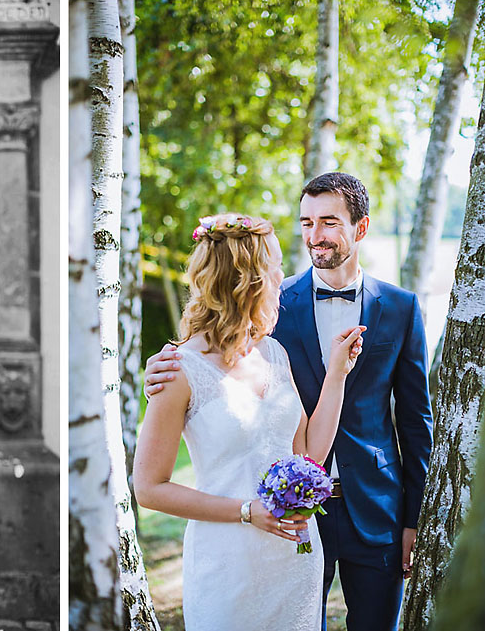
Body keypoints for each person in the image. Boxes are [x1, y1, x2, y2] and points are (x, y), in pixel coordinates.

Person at [144, 172, 433, 630]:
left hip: (363, 515)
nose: (313, 237)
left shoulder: (395, 309)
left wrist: (415, 520)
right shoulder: (270, 316)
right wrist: (162, 380)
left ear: (360, 227)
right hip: (260, 539)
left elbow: (413, 424)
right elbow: (211, 366)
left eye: (329, 222)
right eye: (306, 222)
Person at [134, 213, 364, 631]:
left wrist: (337, 374)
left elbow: (309, 453)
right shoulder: (177, 370)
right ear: (248, 282)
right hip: (226, 563)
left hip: (295, 559)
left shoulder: (274, 354)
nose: (283, 279)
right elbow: (149, 488)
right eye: (274, 270)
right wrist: (247, 511)